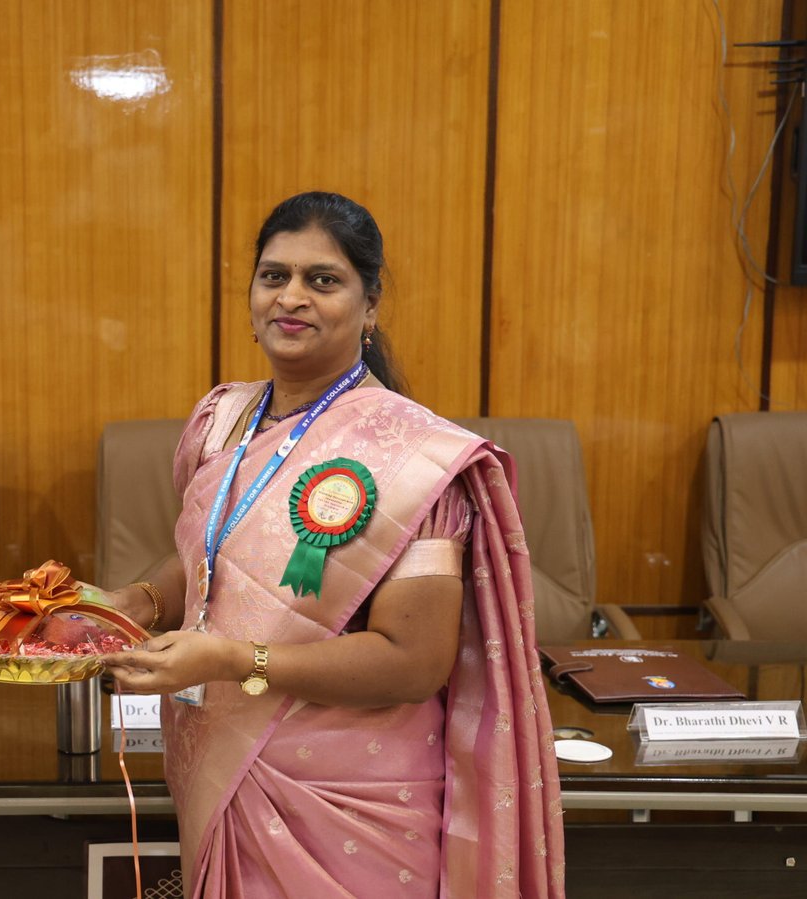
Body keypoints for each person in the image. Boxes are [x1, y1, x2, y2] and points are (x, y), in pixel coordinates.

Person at [100, 192, 565, 897]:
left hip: (349, 801)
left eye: (322, 280)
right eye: (274, 276)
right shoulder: (221, 420)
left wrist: (233, 659)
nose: (291, 297)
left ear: (369, 305)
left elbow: (412, 663)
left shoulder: (414, 460)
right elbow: (214, 557)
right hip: (219, 773)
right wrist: (136, 600)